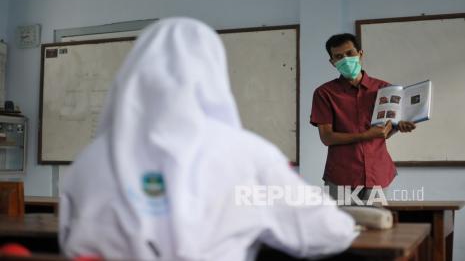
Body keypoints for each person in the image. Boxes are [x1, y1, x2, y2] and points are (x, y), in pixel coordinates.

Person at [59, 18, 357, 260]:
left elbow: (70, 240)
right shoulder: (247, 155)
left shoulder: (89, 162)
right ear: (213, 73)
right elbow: (329, 233)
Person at [310, 33, 416, 202]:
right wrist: (366, 135)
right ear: (332, 62)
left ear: (360, 53)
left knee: (378, 227)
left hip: (378, 173)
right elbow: (327, 137)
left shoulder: (385, 89)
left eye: (350, 53)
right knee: (344, 228)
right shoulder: (324, 93)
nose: (345, 59)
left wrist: (398, 126)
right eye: (338, 56)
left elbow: (385, 132)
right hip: (341, 176)